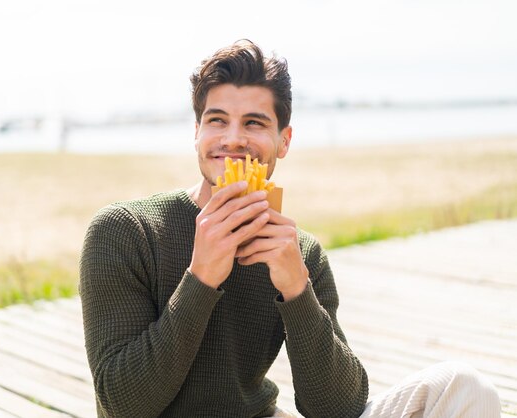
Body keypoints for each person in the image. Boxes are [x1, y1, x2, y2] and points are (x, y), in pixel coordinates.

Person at [79, 40, 501, 418]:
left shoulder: (299, 253)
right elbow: (122, 405)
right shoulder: (125, 232)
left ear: (284, 140)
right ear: (196, 133)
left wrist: (297, 288)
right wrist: (201, 277)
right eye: (217, 120)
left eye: (255, 123)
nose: (233, 139)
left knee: (464, 387)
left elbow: (339, 409)